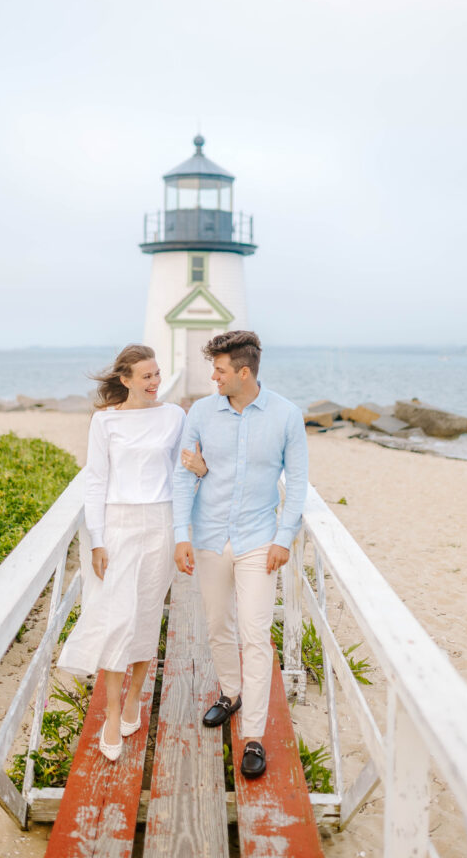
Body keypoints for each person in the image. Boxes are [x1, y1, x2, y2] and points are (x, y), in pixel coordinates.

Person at [57, 344, 206, 761]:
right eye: (146, 376)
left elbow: (184, 470)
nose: (156, 382)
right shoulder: (105, 422)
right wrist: (98, 539)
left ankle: (135, 697)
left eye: (158, 374)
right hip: (117, 525)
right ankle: (110, 713)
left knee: (144, 615)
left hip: (159, 522)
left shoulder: (174, 416)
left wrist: (200, 471)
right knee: (116, 616)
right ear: (125, 380)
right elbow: (95, 481)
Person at [173, 330, 308, 779]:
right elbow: (183, 476)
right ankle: (231, 694)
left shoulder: (287, 415)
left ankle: (253, 736)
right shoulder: (200, 413)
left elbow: (299, 482)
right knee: (217, 626)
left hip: (258, 540)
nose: (213, 376)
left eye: (219, 369)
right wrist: (181, 533)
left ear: (243, 372)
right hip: (209, 535)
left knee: (254, 633)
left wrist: (283, 538)